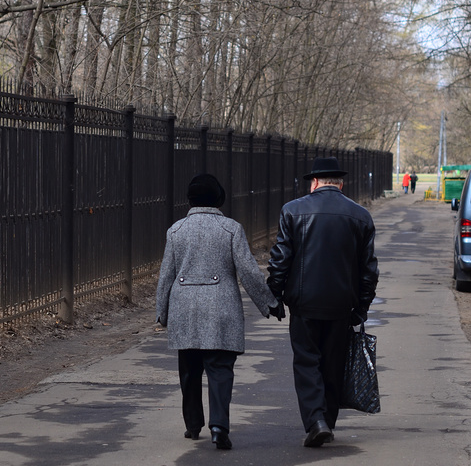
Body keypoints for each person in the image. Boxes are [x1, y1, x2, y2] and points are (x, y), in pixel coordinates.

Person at [156, 173, 280, 449]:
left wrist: (162, 311)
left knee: (188, 370)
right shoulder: (231, 229)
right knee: (220, 369)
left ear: (190, 200)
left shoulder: (176, 231)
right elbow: (248, 271)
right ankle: (219, 426)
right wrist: (269, 302)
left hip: (185, 308)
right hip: (221, 308)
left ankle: (192, 424)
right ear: (219, 199)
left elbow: (167, 275)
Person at [267, 157, 378, 447]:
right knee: (333, 364)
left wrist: (274, 295)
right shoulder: (360, 215)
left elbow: (281, 259)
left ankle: (315, 419)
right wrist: (362, 307)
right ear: (341, 184)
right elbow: (369, 269)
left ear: (314, 183)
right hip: (342, 305)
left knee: (307, 362)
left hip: (304, 303)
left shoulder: (292, 210)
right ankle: (326, 422)